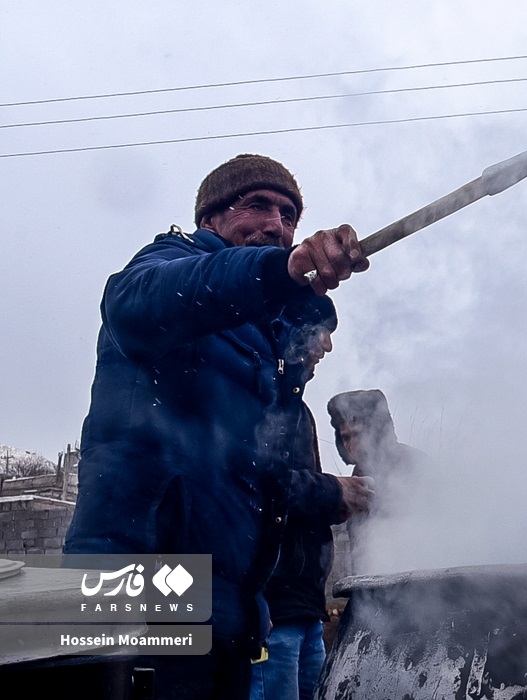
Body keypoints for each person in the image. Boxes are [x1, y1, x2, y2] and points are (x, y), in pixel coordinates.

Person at [64, 154, 373, 699]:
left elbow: (263, 476)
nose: (275, 225)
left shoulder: (263, 353)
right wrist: (281, 271)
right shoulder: (168, 266)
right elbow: (138, 302)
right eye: (257, 205)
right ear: (211, 218)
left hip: (228, 613)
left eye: (289, 214)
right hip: (129, 592)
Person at [251, 297, 358, 700]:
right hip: (269, 612)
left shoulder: (299, 411)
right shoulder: (257, 400)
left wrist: (339, 502)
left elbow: (297, 499)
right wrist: (333, 491)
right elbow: (255, 484)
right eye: (315, 330)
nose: (326, 345)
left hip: (306, 609)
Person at [326, 390, 427, 575]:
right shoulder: (358, 475)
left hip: (415, 584)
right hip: (370, 586)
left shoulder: (415, 466)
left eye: (357, 434)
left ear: (377, 430)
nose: (350, 444)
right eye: (345, 437)